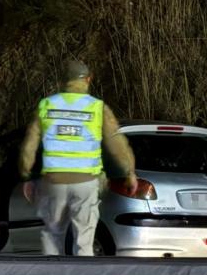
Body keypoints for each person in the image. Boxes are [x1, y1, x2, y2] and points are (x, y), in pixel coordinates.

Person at [18, 60, 137, 256]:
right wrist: (129, 173)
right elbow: (117, 145)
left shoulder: (47, 105)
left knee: (53, 233)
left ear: (64, 81)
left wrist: (27, 175)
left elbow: (30, 144)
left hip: (54, 180)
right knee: (84, 237)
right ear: (88, 79)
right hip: (86, 180)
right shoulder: (97, 108)